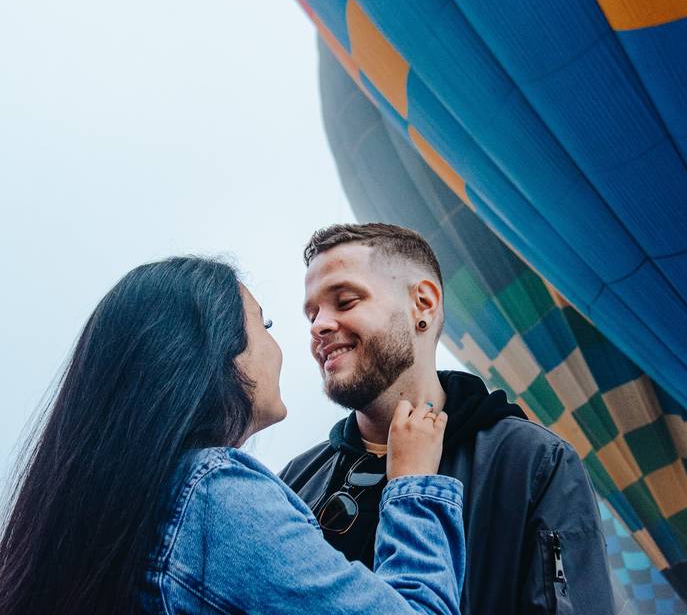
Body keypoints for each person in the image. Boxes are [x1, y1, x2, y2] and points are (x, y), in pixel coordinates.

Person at [0, 257, 465, 615]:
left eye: (345, 302)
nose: (318, 329)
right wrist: (413, 487)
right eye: (264, 324)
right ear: (216, 352)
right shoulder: (213, 497)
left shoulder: (103, 506)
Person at [281, 224, 615, 614]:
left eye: (345, 301)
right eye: (312, 314)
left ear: (423, 303)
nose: (319, 325)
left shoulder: (531, 462)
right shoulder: (295, 481)